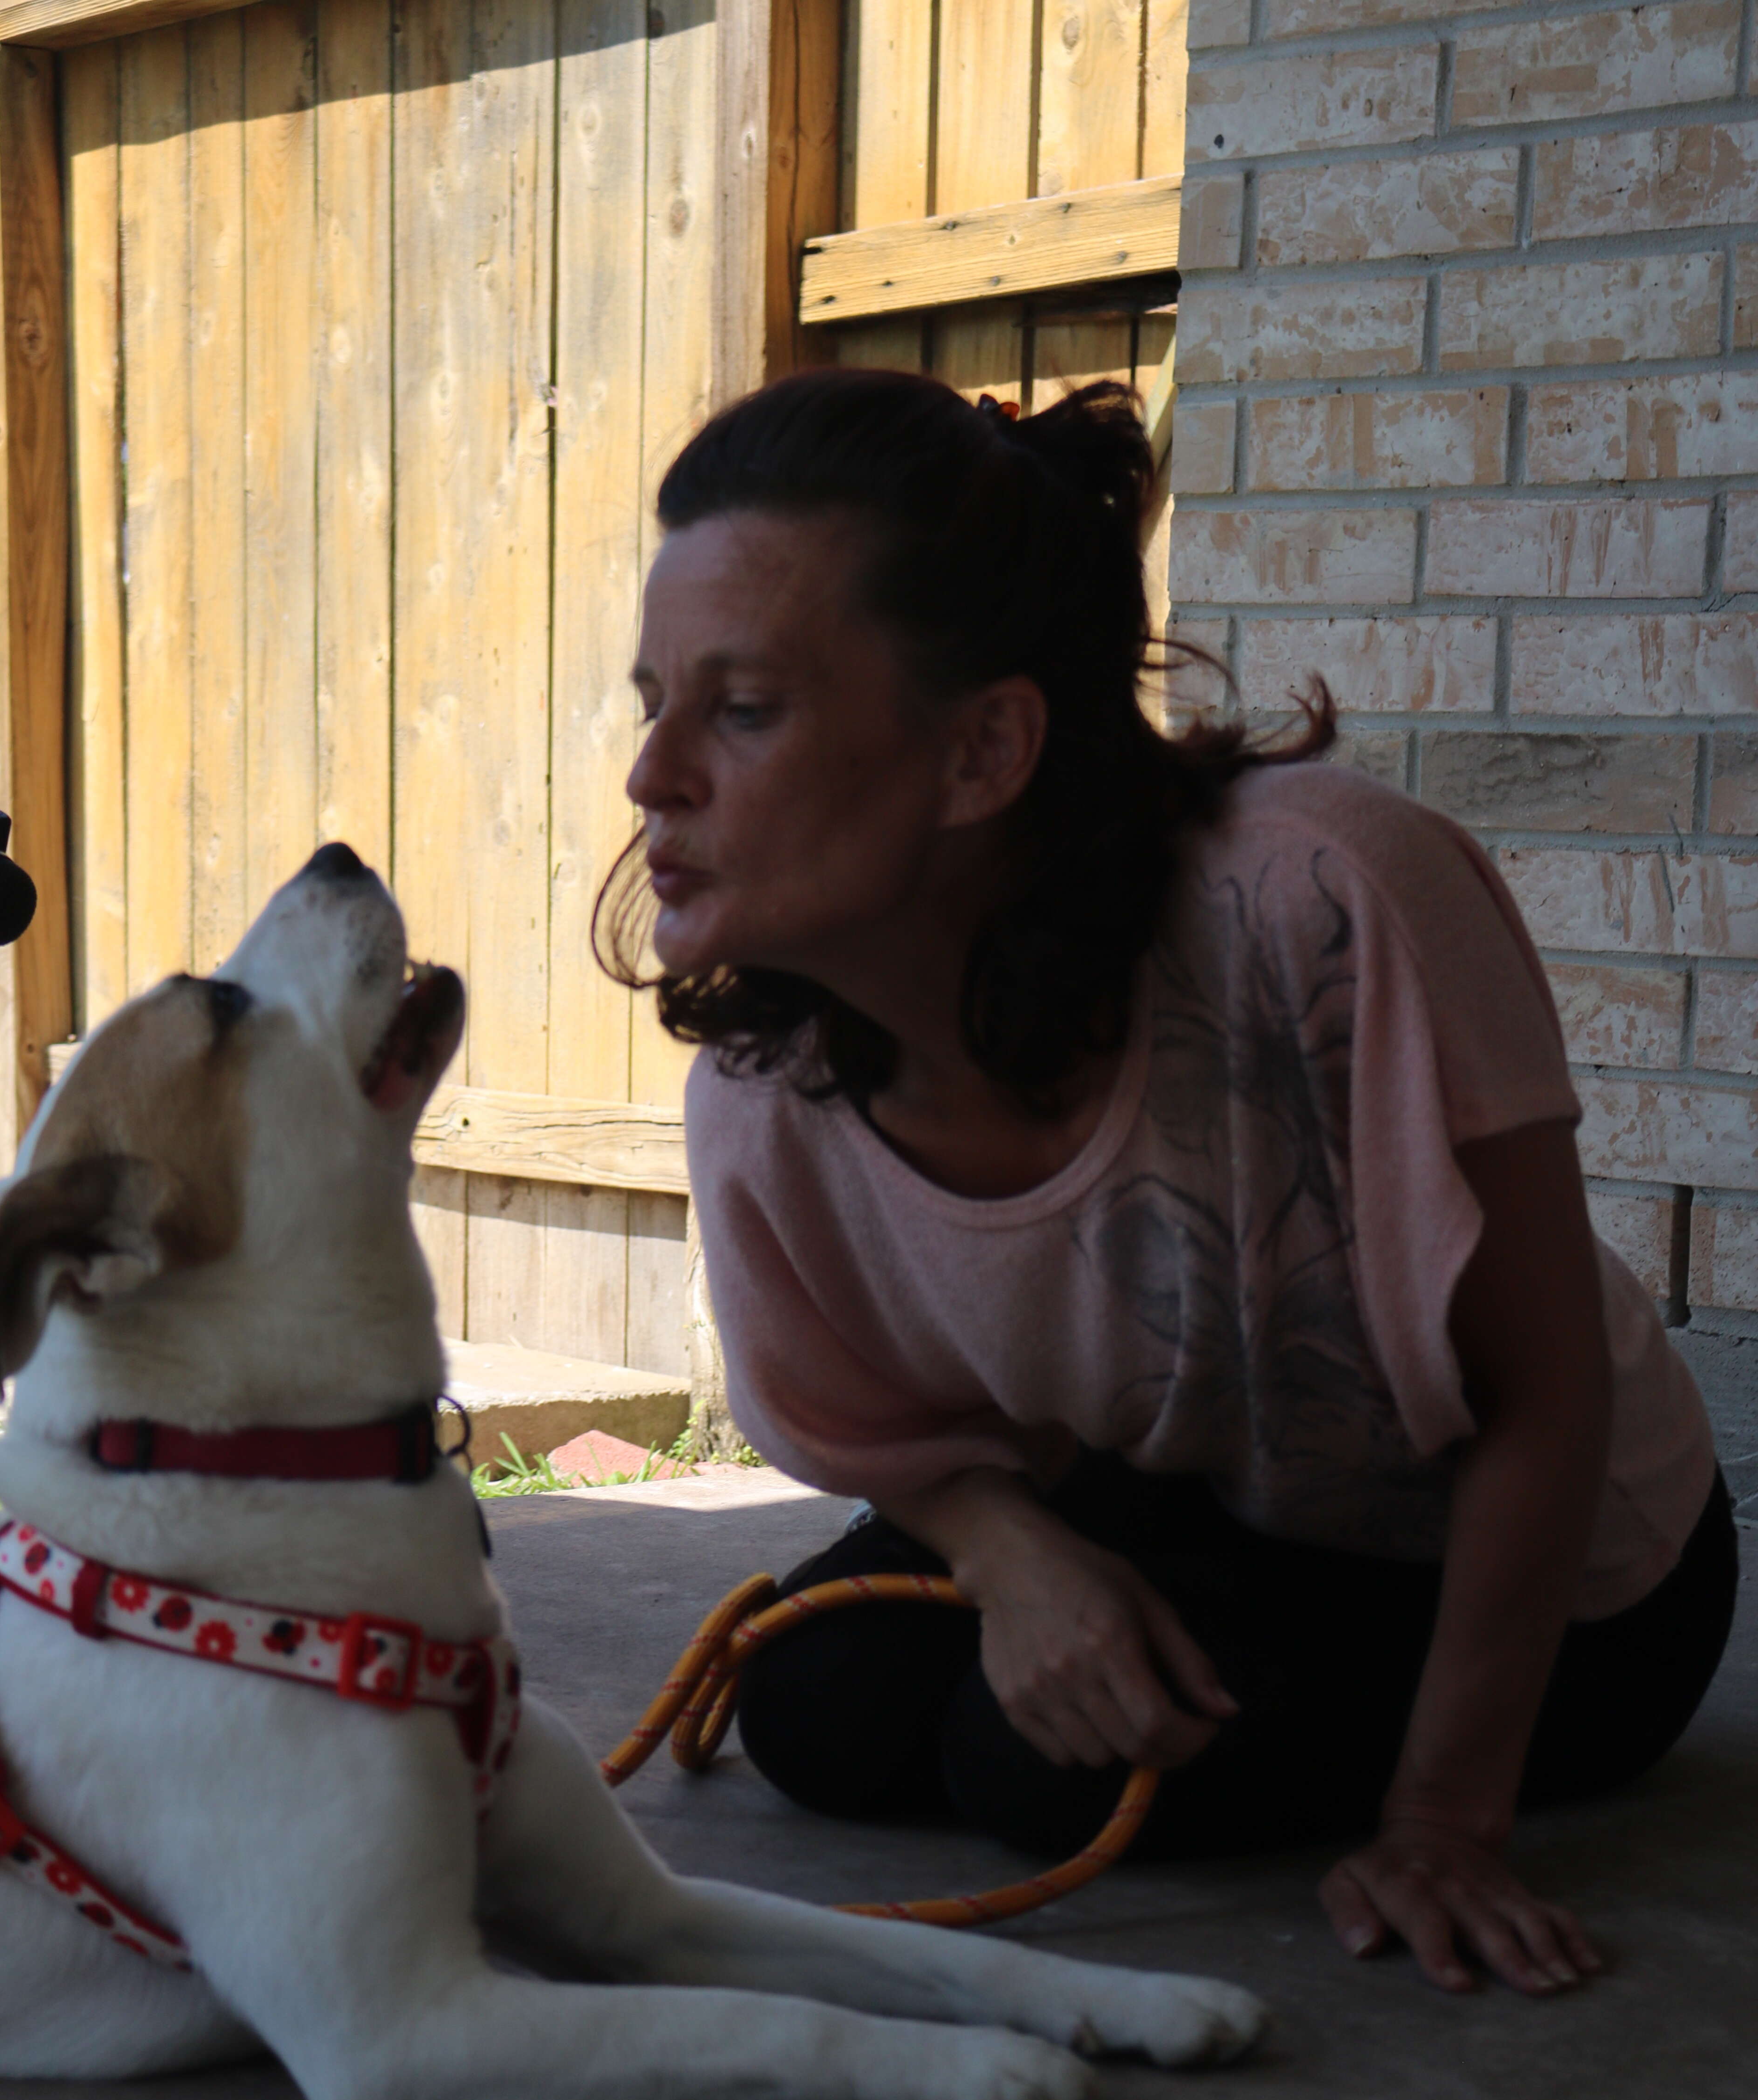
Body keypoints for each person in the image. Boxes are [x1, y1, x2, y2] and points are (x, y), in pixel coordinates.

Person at [596, 367, 1736, 1999]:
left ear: (986, 745)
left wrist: (1443, 1819)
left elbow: (1543, 1399)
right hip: (1218, 1487)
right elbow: (892, 1444)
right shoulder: (768, 1098)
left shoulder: (1329, 907)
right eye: (656, 702)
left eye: (744, 710)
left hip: (1578, 1572)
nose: (654, 777)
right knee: (823, 1700)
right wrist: (1016, 1557)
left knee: (1034, 1760)